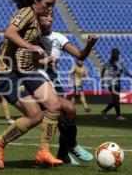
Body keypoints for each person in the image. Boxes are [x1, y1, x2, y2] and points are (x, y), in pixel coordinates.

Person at [0, 0, 64, 169]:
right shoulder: (26, 13)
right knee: (35, 116)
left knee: (54, 105)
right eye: (47, 3)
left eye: (53, 4)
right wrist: (31, 47)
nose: (50, 8)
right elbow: (9, 32)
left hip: (28, 70)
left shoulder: (39, 18)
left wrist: (40, 58)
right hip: (9, 73)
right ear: (36, 0)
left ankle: (44, 152)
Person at [37, 11, 97, 164]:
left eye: (52, 16)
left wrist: (89, 45)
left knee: (69, 114)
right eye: (45, 15)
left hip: (55, 83)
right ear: (36, 17)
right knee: (60, 115)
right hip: (36, 82)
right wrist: (42, 61)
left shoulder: (58, 37)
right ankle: (71, 145)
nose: (50, 18)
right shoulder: (30, 37)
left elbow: (80, 55)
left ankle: (63, 153)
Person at [101, 48, 132, 120]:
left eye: (117, 53)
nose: (117, 55)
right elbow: (103, 71)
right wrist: (103, 80)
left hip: (118, 82)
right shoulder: (109, 63)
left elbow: (124, 71)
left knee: (115, 100)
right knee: (116, 99)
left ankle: (104, 111)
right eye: (115, 53)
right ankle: (118, 116)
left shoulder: (120, 62)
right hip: (112, 83)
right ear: (112, 54)